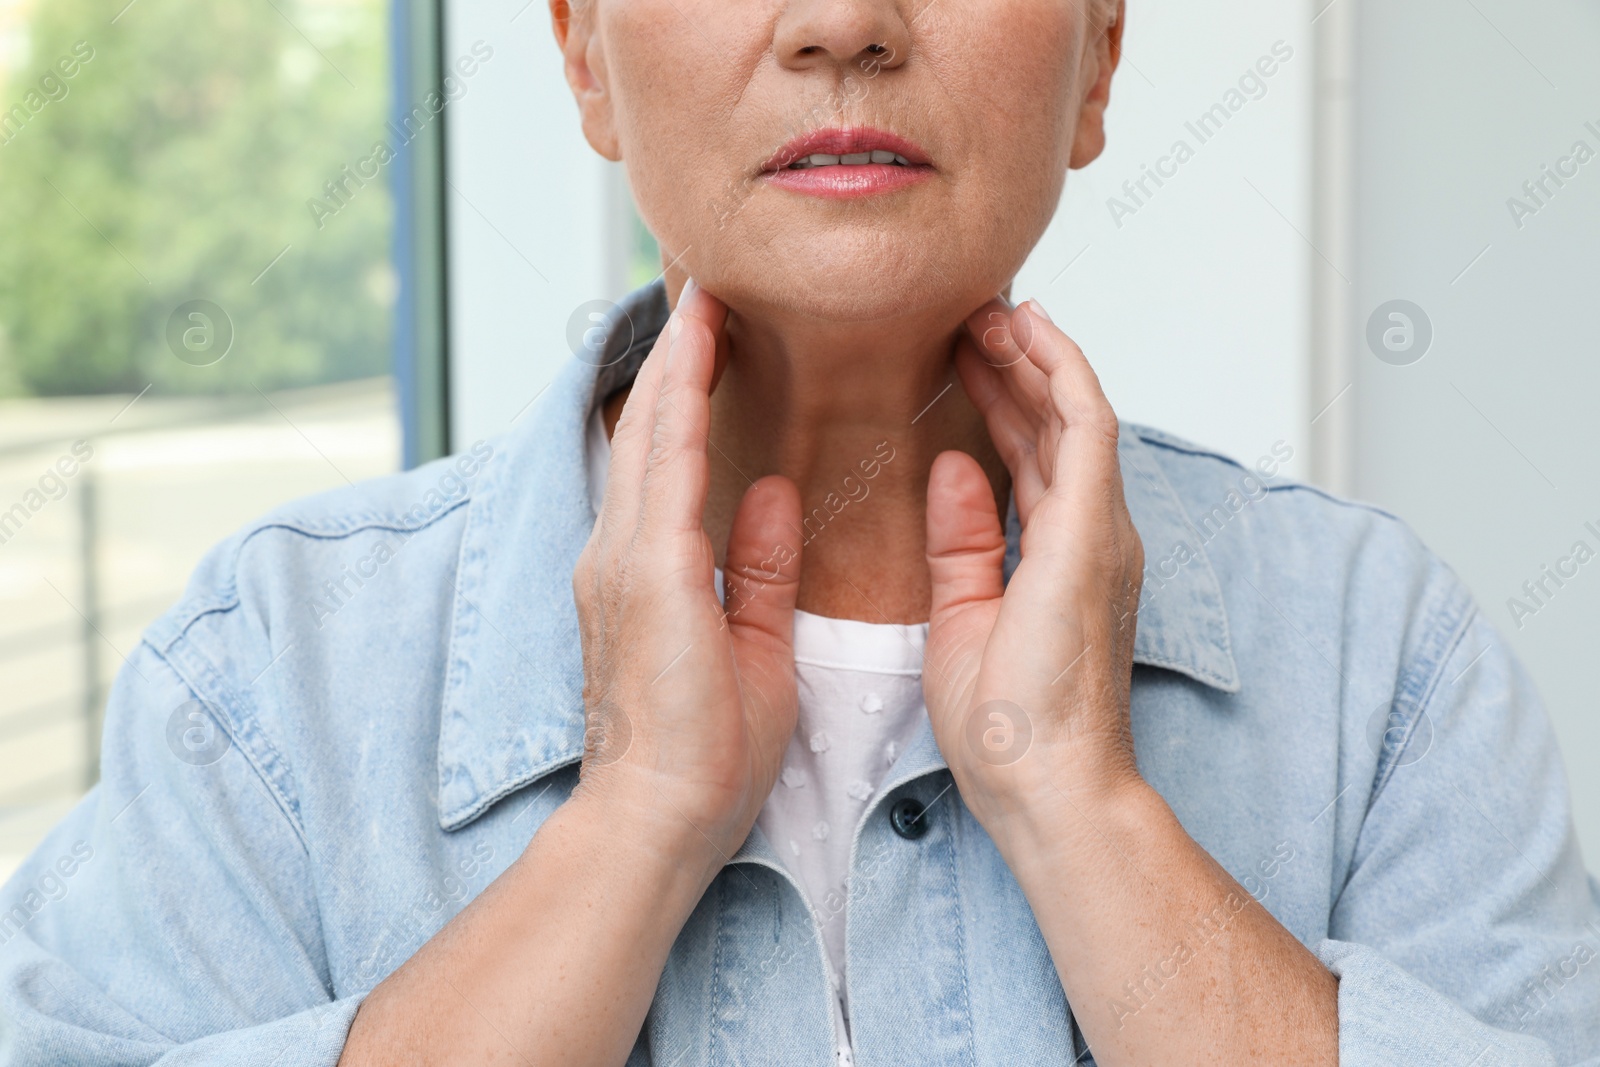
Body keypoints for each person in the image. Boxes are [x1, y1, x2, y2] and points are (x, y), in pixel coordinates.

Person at [3, 0, 1598, 1064]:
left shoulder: (1380, 655)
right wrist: (634, 820)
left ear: (1101, 58)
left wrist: (1082, 808)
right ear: (580, 55)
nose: (845, 20)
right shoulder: (270, 675)